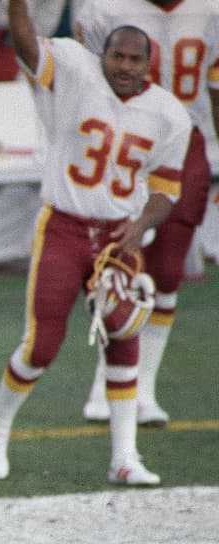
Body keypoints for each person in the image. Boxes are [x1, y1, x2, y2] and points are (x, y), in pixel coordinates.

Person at [0, 0, 191, 486]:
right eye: (118, 57)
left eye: (136, 60)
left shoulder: (168, 114)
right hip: (65, 226)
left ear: (149, 62)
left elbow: (166, 192)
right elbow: (27, 40)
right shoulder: (75, 70)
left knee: (123, 334)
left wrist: (139, 227)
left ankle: (124, 456)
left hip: (118, 235)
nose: (126, 67)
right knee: (42, 345)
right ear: (104, 55)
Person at [74, 0, 219, 427]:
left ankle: (145, 389)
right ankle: (105, 380)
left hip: (186, 141)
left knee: (169, 268)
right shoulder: (105, 8)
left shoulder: (210, 10)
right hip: (122, 140)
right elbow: (81, 80)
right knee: (116, 261)